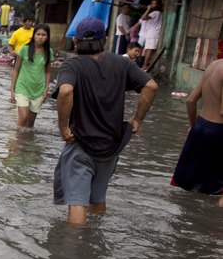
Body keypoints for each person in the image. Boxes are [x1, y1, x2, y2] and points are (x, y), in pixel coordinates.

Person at [53, 17, 158, 225]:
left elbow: (65, 91)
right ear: (106, 39)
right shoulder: (122, 63)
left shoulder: (72, 65)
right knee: (97, 198)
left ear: (76, 41)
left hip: (80, 143)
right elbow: (151, 87)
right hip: (111, 146)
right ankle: (94, 242)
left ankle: (74, 251)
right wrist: (137, 120)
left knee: (77, 202)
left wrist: (64, 128)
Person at [170, 58, 223, 206]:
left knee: (196, 184)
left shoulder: (213, 65)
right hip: (218, 131)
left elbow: (190, 100)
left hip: (199, 126)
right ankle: (211, 222)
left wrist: (193, 126)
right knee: (217, 188)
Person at [10, 23, 52, 128]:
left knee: (30, 122)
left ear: (47, 37)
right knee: (23, 117)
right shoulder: (24, 49)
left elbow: (47, 72)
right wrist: (12, 90)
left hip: (39, 90)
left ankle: (27, 142)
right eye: (38, 34)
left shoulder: (48, 52)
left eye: (44, 35)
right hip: (22, 87)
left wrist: (46, 89)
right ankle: (18, 142)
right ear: (33, 35)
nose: (40, 37)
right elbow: (16, 70)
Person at [139, 0, 163, 71]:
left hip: (152, 33)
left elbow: (143, 18)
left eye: (154, 4)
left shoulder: (155, 12)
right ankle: (148, 65)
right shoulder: (160, 13)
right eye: (151, 3)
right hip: (155, 33)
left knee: (149, 50)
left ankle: (145, 66)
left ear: (158, 5)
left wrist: (148, 9)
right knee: (151, 50)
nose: (152, 5)